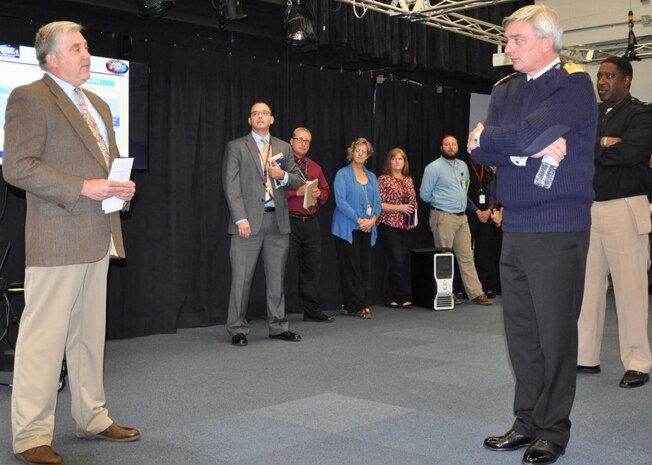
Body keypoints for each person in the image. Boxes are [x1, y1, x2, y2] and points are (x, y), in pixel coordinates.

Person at [2, 21, 140, 465]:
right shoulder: (29, 97)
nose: (88, 54)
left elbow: (107, 165)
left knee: (87, 338)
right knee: (42, 341)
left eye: (87, 47)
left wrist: (119, 187)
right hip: (57, 237)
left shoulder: (98, 101)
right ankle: (30, 436)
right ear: (52, 57)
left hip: (98, 235)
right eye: (77, 48)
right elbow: (17, 167)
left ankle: (92, 417)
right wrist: (85, 186)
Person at [467, 5, 597, 464]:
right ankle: (526, 422)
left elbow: (513, 137)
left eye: (517, 39)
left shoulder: (574, 85)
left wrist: (513, 142)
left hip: (559, 226)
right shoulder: (506, 89)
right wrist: (525, 149)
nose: (508, 48)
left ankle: (552, 430)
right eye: (508, 39)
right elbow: (480, 145)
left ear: (547, 41)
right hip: (515, 224)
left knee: (555, 333)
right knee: (520, 331)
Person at [577, 57, 652, 388]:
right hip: (590, 209)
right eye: (600, 76)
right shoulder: (590, 115)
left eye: (610, 76)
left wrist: (599, 149)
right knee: (588, 288)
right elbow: (579, 149)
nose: (602, 81)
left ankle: (638, 361)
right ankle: (584, 355)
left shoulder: (641, 113)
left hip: (626, 207)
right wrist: (604, 144)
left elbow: (632, 154)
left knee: (630, 290)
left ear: (627, 80)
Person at [222, 102, 302, 346]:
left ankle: (278, 326)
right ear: (249, 120)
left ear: (272, 119)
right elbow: (230, 185)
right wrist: (240, 218)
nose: (260, 117)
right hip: (247, 222)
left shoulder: (283, 147)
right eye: (255, 113)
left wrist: (284, 176)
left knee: (277, 277)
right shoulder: (236, 146)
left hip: (277, 222)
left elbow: (297, 179)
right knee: (241, 279)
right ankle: (237, 328)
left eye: (264, 113)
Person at [419, 135, 493, 306]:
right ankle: (446, 293)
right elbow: (424, 194)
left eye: (453, 144)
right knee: (444, 257)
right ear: (441, 147)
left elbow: (464, 189)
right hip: (443, 216)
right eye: (447, 144)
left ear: (457, 146)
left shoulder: (463, 166)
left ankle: (475, 292)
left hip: (462, 217)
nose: (450, 147)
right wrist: (441, 202)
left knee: (467, 256)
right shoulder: (433, 167)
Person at [284, 127, 333, 322]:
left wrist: (320, 194)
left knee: (312, 267)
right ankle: (278, 311)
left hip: (311, 222)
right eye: (300, 139)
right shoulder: (282, 164)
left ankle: (311, 309)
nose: (303, 143)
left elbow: (326, 190)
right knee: (283, 267)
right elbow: (272, 190)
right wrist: (296, 192)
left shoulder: (314, 166)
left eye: (307, 141)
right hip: (288, 221)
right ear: (291, 141)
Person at [331, 137, 382, 319]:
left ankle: (356, 303)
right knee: (351, 268)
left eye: (364, 151)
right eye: (357, 151)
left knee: (363, 267)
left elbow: (377, 203)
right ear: (351, 152)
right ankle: (357, 305)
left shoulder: (372, 176)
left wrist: (372, 220)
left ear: (368, 155)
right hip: (348, 228)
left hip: (368, 228)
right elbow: (341, 201)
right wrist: (360, 220)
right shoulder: (342, 174)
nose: (360, 154)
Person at [377, 148, 418, 309]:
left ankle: (390, 296)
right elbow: (379, 204)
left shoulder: (408, 179)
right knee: (397, 260)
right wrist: (400, 208)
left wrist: (416, 217)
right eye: (394, 159)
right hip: (389, 225)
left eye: (400, 159)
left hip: (406, 225)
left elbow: (414, 202)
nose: (397, 162)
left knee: (399, 262)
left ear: (404, 162)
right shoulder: (384, 179)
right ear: (389, 162)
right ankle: (403, 296)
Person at [466, 156, 499, 297]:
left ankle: (485, 287)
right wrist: (476, 210)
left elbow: (493, 193)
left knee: (484, 251)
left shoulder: (488, 169)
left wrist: (489, 209)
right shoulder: (465, 168)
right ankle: (466, 288)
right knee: (466, 252)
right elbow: (462, 193)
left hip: (486, 215)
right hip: (470, 213)